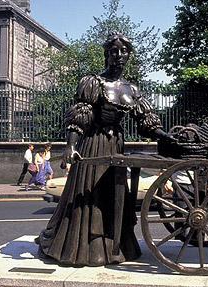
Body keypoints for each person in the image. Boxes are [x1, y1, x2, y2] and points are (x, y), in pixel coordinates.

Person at [37, 32, 175, 267]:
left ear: (129, 55)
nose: (119, 55)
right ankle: (83, 249)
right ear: (106, 54)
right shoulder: (93, 82)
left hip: (117, 145)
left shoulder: (132, 89)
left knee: (115, 194)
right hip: (93, 145)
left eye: (123, 51)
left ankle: (116, 245)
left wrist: (165, 136)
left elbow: (147, 121)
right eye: (114, 51)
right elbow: (80, 115)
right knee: (90, 195)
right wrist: (71, 145)